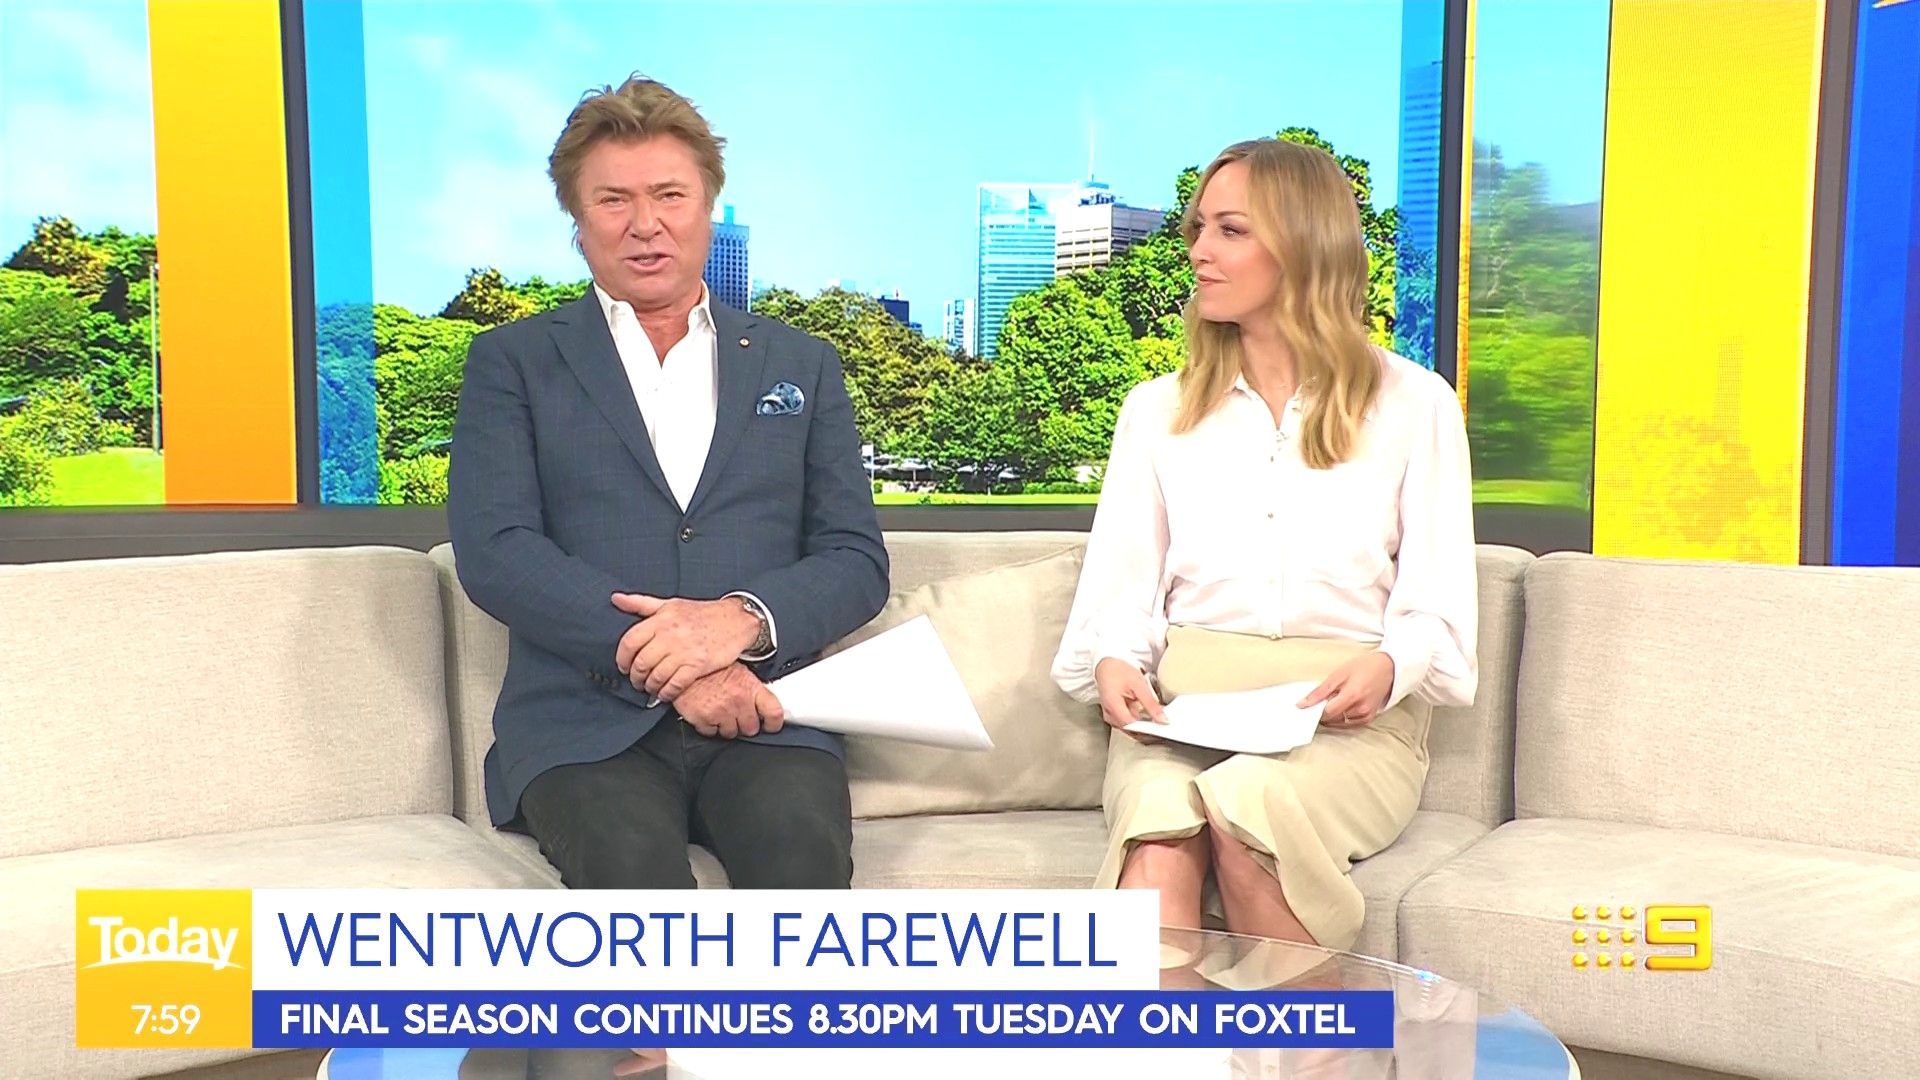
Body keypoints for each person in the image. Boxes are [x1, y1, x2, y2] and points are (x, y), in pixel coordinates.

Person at [447, 76, 888, 890]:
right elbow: (497, 550)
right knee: (631, 873)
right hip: (584, 726)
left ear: (708, 209)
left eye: (669, 196)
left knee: (801, 860)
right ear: (578, 224)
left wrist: (739, 625)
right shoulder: (514, 361)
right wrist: (677, 663)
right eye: (613, 200)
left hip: (763, 713)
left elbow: (855, 559)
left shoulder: (802, 363)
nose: (644, 224)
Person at [1050, 138, 1477, 952]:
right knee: (1157, 830)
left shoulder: (1415, 405)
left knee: (1250, 811)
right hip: (1182, 716)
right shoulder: (1156, 410)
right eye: (1198, 229)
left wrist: (1389, 667)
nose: (1199, 252)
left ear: (1304, 244)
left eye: (1231, 230)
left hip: (1341, 726)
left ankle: (1307, 1033)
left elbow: (1436, 609)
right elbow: (1122, 592)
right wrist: (1114, 662)